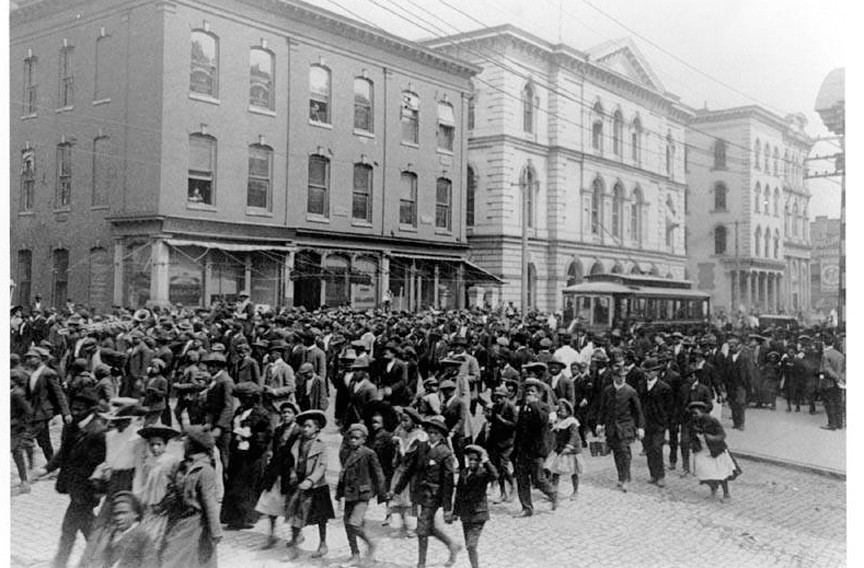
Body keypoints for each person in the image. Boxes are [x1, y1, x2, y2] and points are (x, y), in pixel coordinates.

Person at [34, 387, 106, 568]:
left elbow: (101, 465)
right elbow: (64, 452)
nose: (74, 411)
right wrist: (45, 469)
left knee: (73, 529)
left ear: (91, 409)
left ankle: (65, 563)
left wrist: (95, 491)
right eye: (73, 407)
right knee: (82, 529)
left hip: (87, 492)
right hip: (75, 489)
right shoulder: (73, 425)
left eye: (79, 408)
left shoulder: (98, 432)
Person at [390, 415, 461, 568]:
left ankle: (421, 564)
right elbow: (410, 470)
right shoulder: (421, 447)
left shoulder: (445, 453)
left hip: (434, 496)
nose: (431, 436)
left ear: (441, 435)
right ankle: (452, 545)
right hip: (419, 493)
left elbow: (448, 483)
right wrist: (397, 490)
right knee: (429, 527)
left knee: (422, 528)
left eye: (435, 433)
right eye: (429, 432)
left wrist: (448, 508)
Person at [160, 425, 222, 568]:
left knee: (186, 559)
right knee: (171, 555)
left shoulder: (205, 470)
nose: (183, 443)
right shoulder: (182, 466)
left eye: (186, 440)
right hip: (178, 519)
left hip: (196, 523)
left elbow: (209, 502)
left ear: (194, 444)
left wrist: (215, 530)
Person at [221, 382, 272, 530]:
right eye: (241, 399)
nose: (242, 402)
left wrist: (252, 437)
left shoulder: (261, 413)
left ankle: (245, 518)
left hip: (252, 455)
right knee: (235, 484)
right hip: (238, 453)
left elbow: (267, 434)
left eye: (245, 399)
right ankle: (233, 517)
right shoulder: (239, 411)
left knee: (248, 487)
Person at [284, 409, 334, 560]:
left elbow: (322, 466)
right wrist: (292, 472)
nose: (305, 429)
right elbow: (291, 460)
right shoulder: (297, 443)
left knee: (320, 518)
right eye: (303, 426)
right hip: (298, 483)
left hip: (316, 486)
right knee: (294, 514)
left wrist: (311, 480)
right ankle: (294, 545)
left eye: (309, 426)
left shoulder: (321, 445)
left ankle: (323, 544)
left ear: (317, 428)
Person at [337, 423, 387, 565]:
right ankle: (355, 554)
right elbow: (343, 475)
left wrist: (382, 494)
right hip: (349, 493)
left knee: (355, 523)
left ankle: (370, 543)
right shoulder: (346, 453)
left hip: (362, 495)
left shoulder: (368, 453)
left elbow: (378, 474)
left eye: (357, 438)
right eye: (351, 437)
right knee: (347, 524)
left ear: (364, 439)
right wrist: (338, 495)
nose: (353, 440)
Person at [256, 401, 301, 548]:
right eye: (283, 412)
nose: (286, 415)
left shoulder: (299, 431)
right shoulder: (279, 430)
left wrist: (296, 470)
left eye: (289, 412)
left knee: (292, 505)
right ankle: (272, 534)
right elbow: (273, 449)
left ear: (295, 415)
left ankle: (296, 536)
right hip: (276, 470)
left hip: (291, 471)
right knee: (271, 502)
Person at [133, 422, 182, 551]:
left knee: (157, 536)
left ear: (165, 445)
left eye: (158, 444)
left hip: (162, 504)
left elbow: (175, 484)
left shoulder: (172, 461)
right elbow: (144, 483)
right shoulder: (148, 461)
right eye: (152, 444)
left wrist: (167, 502)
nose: (155, 448)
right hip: (149, 503)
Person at [77, 491, 159, 568]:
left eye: (124, 513)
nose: (119, 518)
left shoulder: (142, 536)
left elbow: (151, 563)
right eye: (116, 514)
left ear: (135, 514)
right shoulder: (110, 534)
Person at [512, 378, 558, 516]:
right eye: (527, 391)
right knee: (522, 479)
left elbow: (542, 422)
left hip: (536, 450)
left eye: (532, 391)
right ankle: (526, 507)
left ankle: (552, 493)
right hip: (523, 450)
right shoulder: (522, 409)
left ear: (538, 394)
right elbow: (519, 430)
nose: (529, 394)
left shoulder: (544, 407)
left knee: (538, 479)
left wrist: (534, 404)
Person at [597, 364, 644, 492]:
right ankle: (621, 476)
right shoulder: (608, 391)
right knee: (617, 452)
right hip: (612, 427)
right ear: (613, 376)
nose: (621, 378)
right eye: (619, 376)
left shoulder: (630, 391)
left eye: (623, 376)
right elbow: (602, 409)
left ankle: (625, 479)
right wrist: (599, 424)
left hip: (625, 427)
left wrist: (640, 428)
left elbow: (638, 411)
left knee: (625, 452)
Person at [452, 445, 498, 568]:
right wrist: (455, 512)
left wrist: (486, 460)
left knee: (471, 545)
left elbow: (495, 475)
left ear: (479, 461)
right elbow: (459, 494)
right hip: (465, 515)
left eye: (475, 460)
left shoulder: (483, 473)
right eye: (470, 459)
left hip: (478, 514)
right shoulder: (463, 473)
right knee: (469, 546)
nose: (472, 462)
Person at [24, 346, 71, 464]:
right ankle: (51, 463)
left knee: (28, 437)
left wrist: (66, 412)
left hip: (43, 411)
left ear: (40, 359)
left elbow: (59, 394)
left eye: (32, 358)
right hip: (34, 411)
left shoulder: (48, 373)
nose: (29, 360)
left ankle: (33, 466)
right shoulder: (32, 373)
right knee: (43, 440)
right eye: (28, 358)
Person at [688, 401, 741, 500]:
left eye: (696, 413)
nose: (693, 415)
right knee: (707, 473)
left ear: (702, 412)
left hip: (716, 451)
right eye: (692, 413)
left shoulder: (712, 421)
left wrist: (712, 438)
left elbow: (722, 435)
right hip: (702, 450)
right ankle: (713, 490)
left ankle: (726, 494)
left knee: (721, 473)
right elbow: (692, 435)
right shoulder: (693, 422)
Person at [390, 406, 427, 538]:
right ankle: (396, 525)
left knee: (410, 501)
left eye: (406, 420)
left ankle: (411, 526)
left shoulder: (420, 436)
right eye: (401, 420)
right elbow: (397, 458)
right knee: (396, 498)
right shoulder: (401, 433)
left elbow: (412, 457)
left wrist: (400, 445)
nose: (402, 423)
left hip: (412, 473)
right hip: (400, 470)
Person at [639, 358, 672, 487]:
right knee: (648, 449)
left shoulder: (665, 388)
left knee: (657, 448)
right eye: (645, 372)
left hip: (659, 423)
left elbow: (669, 407)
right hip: (645, 422)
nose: (646, 374)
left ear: (656, 372)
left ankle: (661, 475)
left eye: (649, 372)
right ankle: (653, 474)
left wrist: (665, 422)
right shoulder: (641, 384)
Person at [202, 352, 234, 475]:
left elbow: (228, 406)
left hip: (223, 428)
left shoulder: (226, 381)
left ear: (218, 366)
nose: (209, 368)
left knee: (225, 458)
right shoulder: (215, 380)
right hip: (212, 423)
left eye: (212, 365)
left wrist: (220, 426)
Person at [545, 399, 583, 500]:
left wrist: (569, 446)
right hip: (560, 448)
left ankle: (575, 491)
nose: (560, 412)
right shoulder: (559, 421)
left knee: (574, 471)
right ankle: (554, 491)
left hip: (571, 450)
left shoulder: (572, 422)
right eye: (559, 410)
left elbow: (574, 436)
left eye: (563, 410)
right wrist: (553, 427)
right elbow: (556, 432)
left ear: (568, 411)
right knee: (555, 470)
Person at [820, 335, 846, 430]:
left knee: (829, 403)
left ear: (824, 343)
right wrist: (841, 379)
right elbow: (843, 370)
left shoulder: (825, 354)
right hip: (839, 383)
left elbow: (827, 369)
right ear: (833, 343)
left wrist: (836, 378)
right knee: (838, 402)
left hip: (828, 382)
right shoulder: (841, 355)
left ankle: (832, 424)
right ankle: (839, 423)